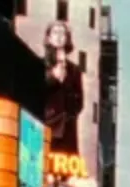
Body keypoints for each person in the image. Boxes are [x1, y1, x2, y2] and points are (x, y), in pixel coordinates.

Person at [43, 20, 84, 155]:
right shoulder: (42, 64)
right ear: (48, 37)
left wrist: (69, 115)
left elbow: (79, 102)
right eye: (55, 32)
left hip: (68, 131)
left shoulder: (74, 70)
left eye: (63, 33)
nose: (59, 36)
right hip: (47, 125)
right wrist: (54, 77)